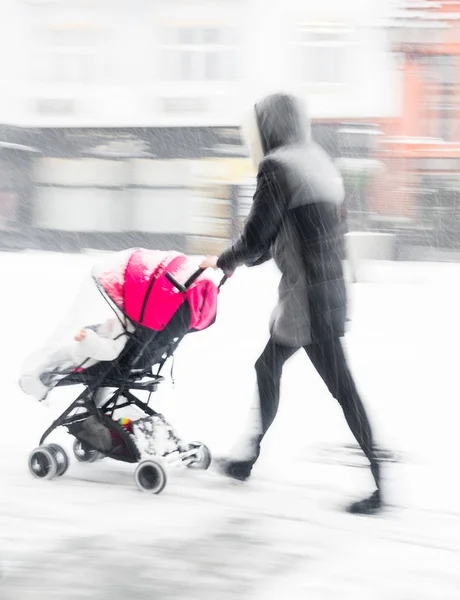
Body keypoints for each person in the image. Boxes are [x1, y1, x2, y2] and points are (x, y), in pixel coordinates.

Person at [200, 93, 383, 515]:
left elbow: (256, 237)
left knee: (344, 391)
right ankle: (247, 458)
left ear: (270, 126)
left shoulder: (277, 166)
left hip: (307, 300)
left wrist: (227, 260)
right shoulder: (318, 161)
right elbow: (294, 231)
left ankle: (381, 487)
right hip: (328, 290)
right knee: (269, 366)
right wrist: (245, 259)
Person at [19, 317, 132, 402]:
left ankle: (32, 388)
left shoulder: (124, 332)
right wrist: (91, 330)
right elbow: (104, 331)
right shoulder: (123, 319)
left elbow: (110, 351)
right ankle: (34, 383)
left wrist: (88, 338)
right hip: (80, 352)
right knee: (52, 360)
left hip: (81, 360)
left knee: (52, 370)